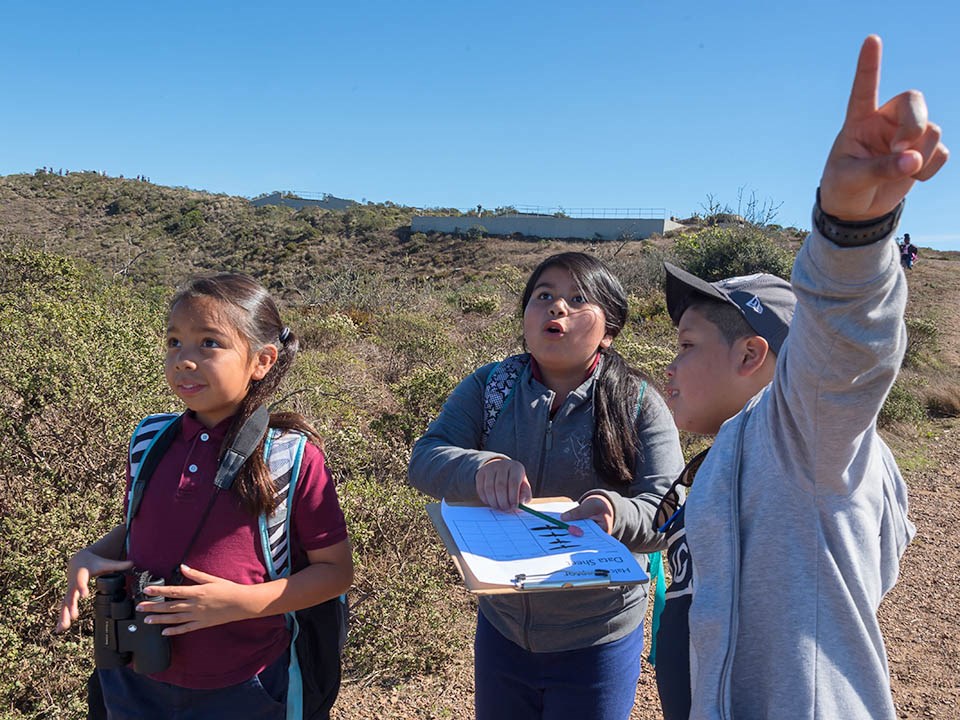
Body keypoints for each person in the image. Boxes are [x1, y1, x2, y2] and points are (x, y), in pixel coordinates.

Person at [564, 34, 948, 719]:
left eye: (687, 344)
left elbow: (843, 356)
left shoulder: (802, 445)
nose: (671, 366)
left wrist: (851, 232)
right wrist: (622, 518)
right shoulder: (720, 462)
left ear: (752, 357)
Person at [55, 273, 354, 719]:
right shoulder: (149, 440)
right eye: (174, 342)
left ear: (262, 361)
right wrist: (89, 554)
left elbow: (335, 572)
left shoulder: (290, 455)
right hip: (136, 674)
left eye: (209, 343)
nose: (184, 360)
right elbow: (140, 526)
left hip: (248, 682)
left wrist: (240, 603)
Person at [408, 251, 684, 720]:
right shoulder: (490, 387)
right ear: (525, 316)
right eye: (544, 296)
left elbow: (668, 511)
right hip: (504, 628)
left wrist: (618, 513)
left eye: (579, 299)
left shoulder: (638, 403)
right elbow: (426, 459)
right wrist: (480, 467)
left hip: (599, 634)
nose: (558, 308)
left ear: (610, 327)